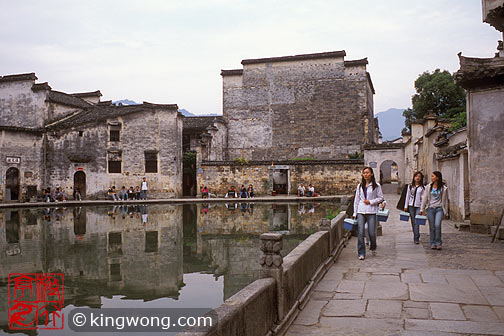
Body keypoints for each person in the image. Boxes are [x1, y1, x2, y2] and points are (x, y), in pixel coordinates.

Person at [353, 167, 383, 260]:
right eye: (364, 173)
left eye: (367, 173)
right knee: (361, 233)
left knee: (371, 233)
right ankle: (361, 253)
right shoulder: (359, 186)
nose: (365, 174)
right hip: (361, 211)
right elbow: (356, 200)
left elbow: (381, 198)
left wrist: (370, 202)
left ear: (371, 174)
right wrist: (355, 213)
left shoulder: (376, 186)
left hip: (371, 211)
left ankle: (373, 246)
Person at [420, 171, 449, 250]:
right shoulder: (428, 187)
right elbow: (425, 198)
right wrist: (422, 209)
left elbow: (446, 201)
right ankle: (432, 242)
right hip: (430, 208)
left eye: (433, 176)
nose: (431, 178)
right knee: (432, 226)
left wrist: (446, 212)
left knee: (437, 225)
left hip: (439, 208)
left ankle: (438, 242)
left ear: (437, 177)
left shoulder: (443, 188)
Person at [405, 172, 426, 244]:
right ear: (414, 177)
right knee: (413, 222)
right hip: (411, 206)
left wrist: (422, 209)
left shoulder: (422, 188)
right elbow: (407, 196)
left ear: (421, 178)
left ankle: (416, 238)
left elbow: (423, 198)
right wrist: (406, 206)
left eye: (419, 176)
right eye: (416, 176)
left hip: (418, 206)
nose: (417, 178)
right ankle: (416, 234)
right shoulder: (410, 186)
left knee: (417, 222)